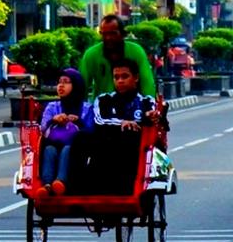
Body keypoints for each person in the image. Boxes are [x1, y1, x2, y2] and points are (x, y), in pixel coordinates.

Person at [85, 58, 163, 195]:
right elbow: (99, 121)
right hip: (107, 147)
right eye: (116, 77)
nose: (120, 81)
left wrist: (152, 117)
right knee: (83, 138)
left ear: (136, 78)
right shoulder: (104, 100)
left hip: (135, 151)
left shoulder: (146, 102)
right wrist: (122, 123)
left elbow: (153, 120)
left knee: (130, 136)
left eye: (125, 76)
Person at [34, 68, 93, 198]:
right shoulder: (52, 107)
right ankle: (47, 185)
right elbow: (43, 128)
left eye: (66, 82)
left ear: (76, 86)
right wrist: (53, 120)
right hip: (54, 144)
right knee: (49, 150)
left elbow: (91, 130)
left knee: (67, 149)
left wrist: (78, 121)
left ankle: (60, 181)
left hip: (78, 151)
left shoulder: (87, 108)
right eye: (59, 82)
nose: (61, 85)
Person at [80, 15, 157, 98]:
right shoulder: (91, 54)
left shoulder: (136, 51)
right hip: (102, 107)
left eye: (113, 33)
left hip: (132, 106)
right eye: (104, 34)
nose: (108, 38)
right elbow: (81, 86)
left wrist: (149, 106)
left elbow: (147, 82)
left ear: (123, 34)